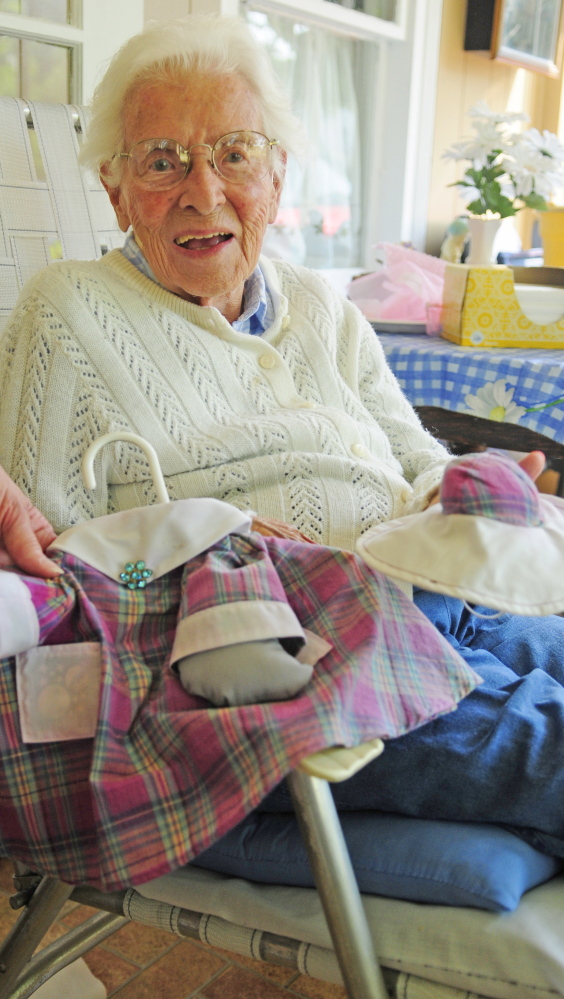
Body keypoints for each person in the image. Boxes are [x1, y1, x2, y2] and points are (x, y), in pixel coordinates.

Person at [0, 14, 563, 862]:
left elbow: (417, 463)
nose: (202, 191)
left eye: (234, 153)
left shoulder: (322, 307)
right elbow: (56, 586)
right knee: (548, 747)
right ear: (115, 190)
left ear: (277, 172)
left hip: (444, 606)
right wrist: (199, 547)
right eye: (162, 161)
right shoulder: (68, 312)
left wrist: (472, 486)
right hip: (298, 670)